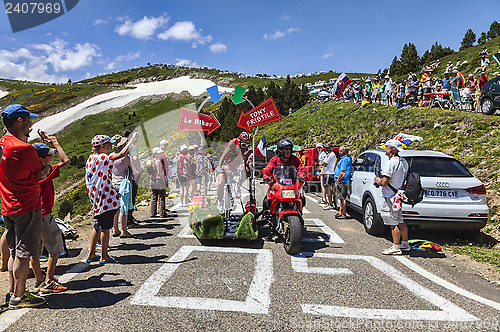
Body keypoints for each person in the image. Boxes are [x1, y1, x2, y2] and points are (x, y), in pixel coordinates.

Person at [0, 104, 50, 309]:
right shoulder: (23, 148)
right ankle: (19, 298)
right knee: (24, 253)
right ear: (19, 121)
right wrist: (46, 166)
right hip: (26, 205)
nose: (31, 123)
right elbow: (41, 173)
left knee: (14, 251)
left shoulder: (2, 142)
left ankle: (14, 291)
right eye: (28, 119)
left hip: (7, 205)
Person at [85, 132, 138, 265]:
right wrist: (131, 141)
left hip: (96, 197)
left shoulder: (91, 158)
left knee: (97, 225)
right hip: (106, 198)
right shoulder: (103, 158)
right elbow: (120, 155)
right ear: (102, 146)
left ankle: (91, 253)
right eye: (108, 145)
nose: (110, 147)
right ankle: (104, 255)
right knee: (105, 228)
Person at [30, 132, 70, 294]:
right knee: (55, 247)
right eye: (48, 156)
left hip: (32, 213)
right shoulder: (45, 171)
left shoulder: (31, 171)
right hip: (44, 214)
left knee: (35, 250)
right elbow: (65, 161)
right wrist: (56, 143)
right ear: (41, 159)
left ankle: (39, 280)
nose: (51, 158)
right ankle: (49, 280)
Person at [374, 140, 409, 255]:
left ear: (391, 149)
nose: (385, 149)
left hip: (389, 196)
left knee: (393, 223)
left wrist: (377, 180)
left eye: (386, 147)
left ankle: (396, 246)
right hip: (398, 196)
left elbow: (384, 182)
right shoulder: (404, 162)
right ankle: (405, 244)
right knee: (400, 220)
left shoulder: (391, 163)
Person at [216, 132, 252, 210]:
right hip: (225, 163)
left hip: (235, 165)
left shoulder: (249, 150)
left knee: (247, 170)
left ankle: (238, 185)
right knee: (220, 183)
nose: (245, 147)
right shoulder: (233, 142)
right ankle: (220, 202)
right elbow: (223, 155)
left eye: (247, 145)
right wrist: (219, 166)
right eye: (243, 145)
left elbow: (244, 160)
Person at [110, 135, 134, 238]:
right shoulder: (125, 157)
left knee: (116, 208)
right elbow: (132, 169)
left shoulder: (111, 156)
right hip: (123, 184)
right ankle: (124, 230)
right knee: (124, 208)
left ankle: (115, 229)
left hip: (113, 182)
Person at [124, 128, 142, 226]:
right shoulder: (133, 147)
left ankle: (127, 218)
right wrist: (139, 169)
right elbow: (135, 158)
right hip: (133, 174)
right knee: (132, 195)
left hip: (124, 175)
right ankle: (129, 219)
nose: (138, 139)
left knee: (127, 197)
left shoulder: (124, 147)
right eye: (137, 136)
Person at [333, 146, 352, 219]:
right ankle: (340, 212)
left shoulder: (344, 160)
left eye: (341, 151)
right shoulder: (347, 158)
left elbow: (343, 171)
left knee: (342, 198)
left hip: (342, 181)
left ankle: (343, 214)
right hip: (344, 180)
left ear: (345, 152)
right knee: (341, 198)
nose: (339, 152)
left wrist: (338, 179)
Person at [149, 147, 167, 218]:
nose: (160, 154)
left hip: (152, 180)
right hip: (158, 180)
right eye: (159, 153)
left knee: (154, 196)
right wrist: (164, 181)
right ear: (155, 154)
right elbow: (160, 172)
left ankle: (152, 213)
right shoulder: (158, 161)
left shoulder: (151, 161)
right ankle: (162, 212)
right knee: (162, 196)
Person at [320, 143, 337, 210]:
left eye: (328, 148)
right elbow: (323, 164)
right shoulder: (328, 155)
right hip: (326, 173)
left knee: (328, 188)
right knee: (327, 187)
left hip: (329, 173)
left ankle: (330, 203)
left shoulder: (332, 155)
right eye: (326, 148)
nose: (326, 149)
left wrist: (323, 163)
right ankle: (329, 201)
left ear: (331, 148)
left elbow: (324, 163)